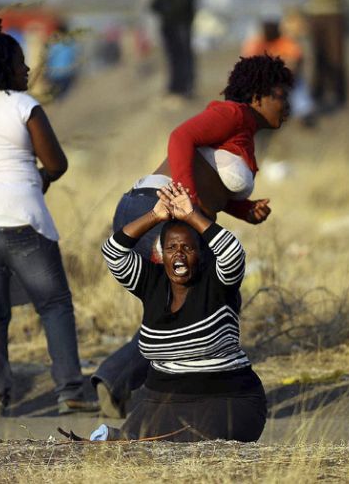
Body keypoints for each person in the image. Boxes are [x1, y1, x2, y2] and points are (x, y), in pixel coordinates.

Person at [91, 54, 293, 418]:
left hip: (156, 208)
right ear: (257, 96)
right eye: (280, 95)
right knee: (200, 301)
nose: (287, 104)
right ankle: (152, 387)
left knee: (185, 303)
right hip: (154, 210)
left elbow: (212, 181)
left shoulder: (243, 132)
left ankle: (125, 383)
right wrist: (188, 207)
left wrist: (246, 210)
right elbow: (180, 137)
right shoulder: (233, 114)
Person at [0, 19, 99, 416]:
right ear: (2, 67)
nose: (27, 68)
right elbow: (57, 163)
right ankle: (71, 392)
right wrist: (39, 179)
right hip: (22, 218)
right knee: (54, 304)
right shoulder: (22, 106)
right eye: (19, 62)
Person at [91, 182, 266, 442]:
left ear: (201, 254)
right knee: (135, 448)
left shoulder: (217, 283)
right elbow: (113, 252)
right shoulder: (151, 282)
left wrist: (192, 215)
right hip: (162, 403)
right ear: (161, 254)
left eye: (188, 248)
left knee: (195, 446)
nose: (179, 255)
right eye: (171, 248)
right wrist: (155, 215)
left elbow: (233, 253)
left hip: (226, 400)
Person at [151, 0, 197, 102]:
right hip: (169, 24)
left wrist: (167, 9)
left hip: (181, 23)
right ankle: (175, 87)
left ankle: (186, 87)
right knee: (173, 57)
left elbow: (182, 5)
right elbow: (154, 6)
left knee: (184, 57)